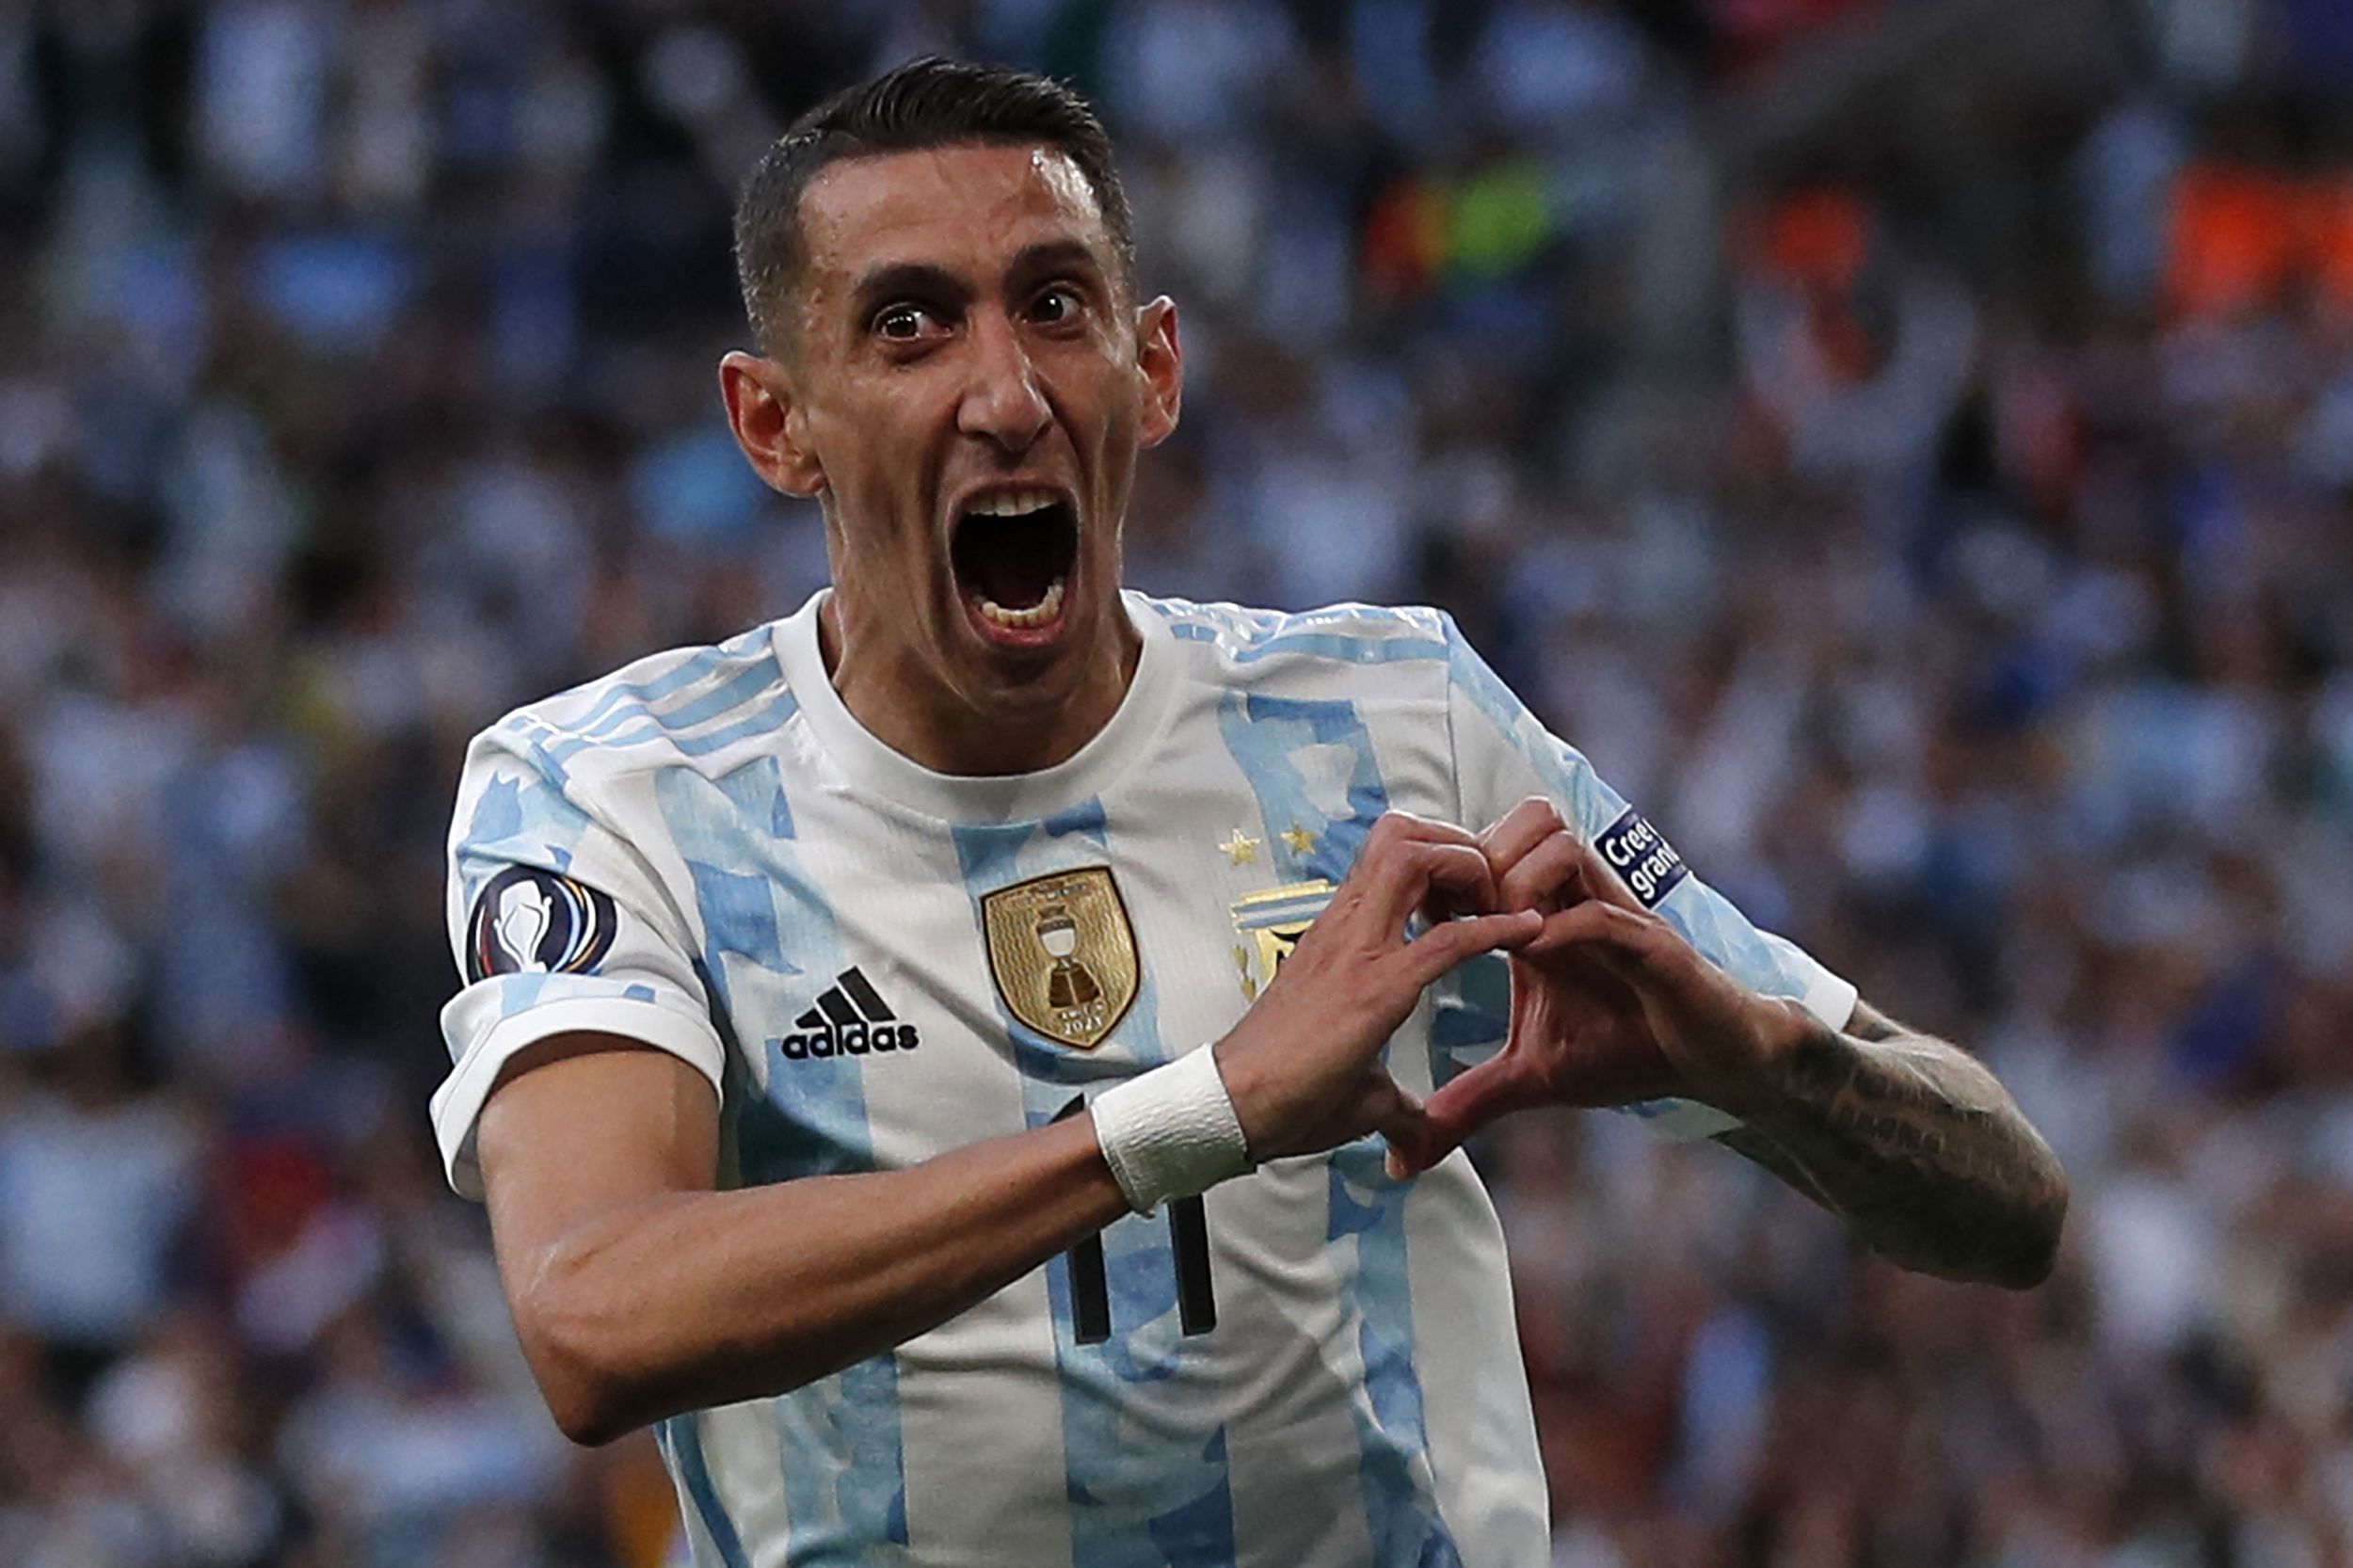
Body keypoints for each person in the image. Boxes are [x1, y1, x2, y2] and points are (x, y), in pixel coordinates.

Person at [429, 57, 2068, 1568]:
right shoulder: (617, 790)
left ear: (1151, 369)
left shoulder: (1393, 720)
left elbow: (2007, 1200)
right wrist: (1203, 1109)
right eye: (910, 326)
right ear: (774, 422)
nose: (1006, 392)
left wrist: (1769, 1067)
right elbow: (592, 1316)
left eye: (1053, 305)